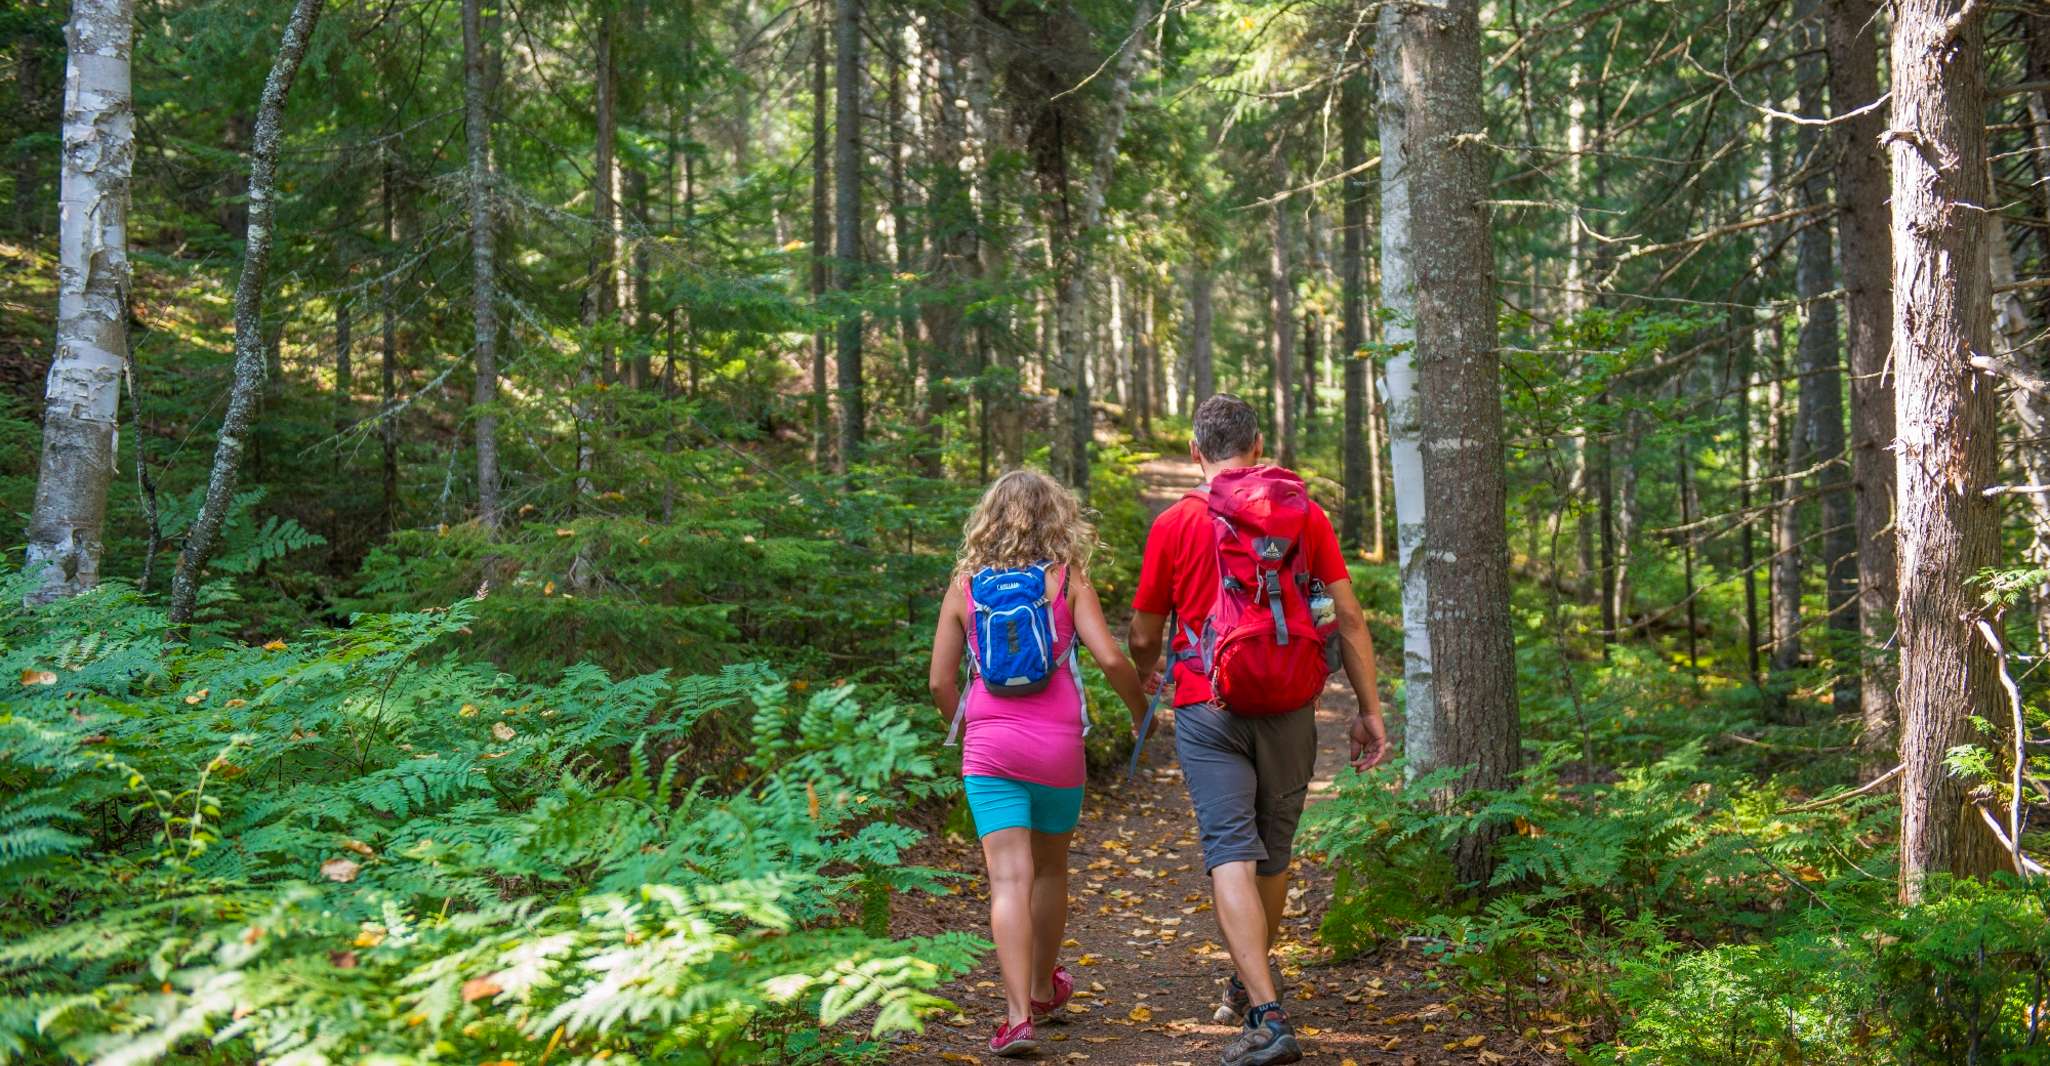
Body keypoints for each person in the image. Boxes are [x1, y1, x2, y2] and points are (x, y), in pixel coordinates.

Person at [1128, 394, 1390, 1066]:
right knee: (1272, 855)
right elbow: (1348, 618)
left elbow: (1144, 631)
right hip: (1291, 705)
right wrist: (1369, 710)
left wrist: (1149, 670)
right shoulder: (1304, 514)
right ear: (1258, 445)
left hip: (1207, 703)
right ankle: (1251, 983)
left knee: (1229, 852)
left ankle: (1265, 1012)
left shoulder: (1175, 522)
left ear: (1195, 452)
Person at [928, 469, 1152, 1058]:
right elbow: (1110, 659)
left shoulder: (964, 586)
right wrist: (1141, 713)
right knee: (1050, 870)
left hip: (989, 748)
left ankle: (1016, 1018)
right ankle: (1042, 989)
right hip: (1057, 748)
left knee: (1007, 879)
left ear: (986, 519)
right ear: (1058, 517)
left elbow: (940, 682)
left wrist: (970, 730)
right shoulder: (1067, 579)